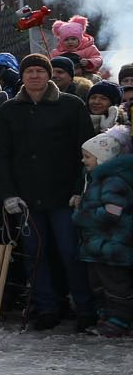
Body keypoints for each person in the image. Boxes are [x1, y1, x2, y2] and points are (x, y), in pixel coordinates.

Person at [0, 53, 96, 330]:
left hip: (64, 195)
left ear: (48, 74)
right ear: (22, 76)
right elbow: (0, 156)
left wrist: (79, 189)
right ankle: (45, 307)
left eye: (40, 70)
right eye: (29, 71)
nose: (35, 76)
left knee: (70, 253)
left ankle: (84, 309)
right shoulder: (10, 110)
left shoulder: (71, 106)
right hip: (26, 198)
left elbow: (87, 151)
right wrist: (8, 193)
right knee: (35, 255)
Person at [76, 128, 133, 337]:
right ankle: (106, 318)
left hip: (112, 246)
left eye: (88, 157)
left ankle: (119, 321)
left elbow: (113, 211)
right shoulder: (95, 179)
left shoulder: (113, 181)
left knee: (115, 285)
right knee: (99, 285)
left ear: (103, 158)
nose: (83, 161)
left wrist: (83, 216)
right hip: (97, 245)